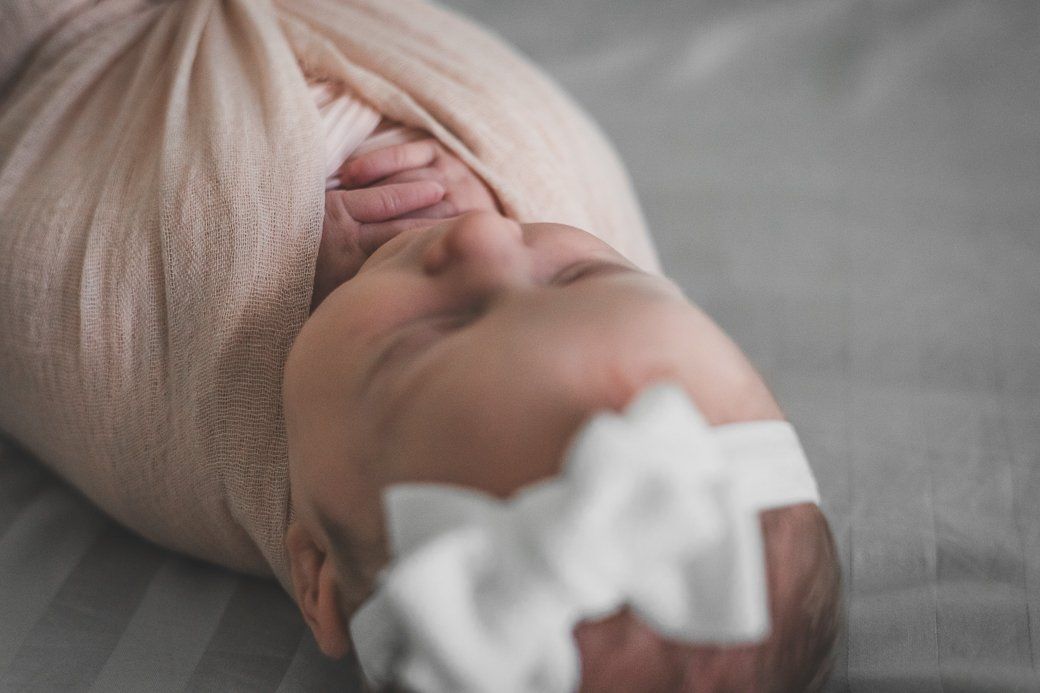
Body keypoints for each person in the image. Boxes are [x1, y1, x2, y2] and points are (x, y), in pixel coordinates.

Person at [0, 0, 841, 689]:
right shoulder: (574, 288)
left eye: (425, 335)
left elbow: (52, 285)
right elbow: (550, 144)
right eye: (580, 276)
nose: (478, 238)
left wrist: (268, 240)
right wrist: (504, 169)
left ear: (316, 576)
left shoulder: (187, 447)